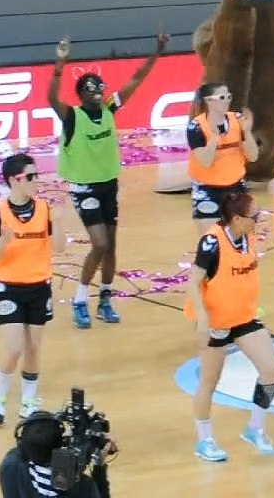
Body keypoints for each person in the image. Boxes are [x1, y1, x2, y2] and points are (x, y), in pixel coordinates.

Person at [47, 32, 168, 330]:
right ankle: (79, 300)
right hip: (84, 187)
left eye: (99, 87)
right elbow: (51, 98)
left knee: (111, 247)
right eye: (90, 89)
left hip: (108, 184)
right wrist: (60, 65)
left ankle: (104, 299)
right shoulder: (73, 116)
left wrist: (158, 50)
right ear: (81, 95)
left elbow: (137, 79)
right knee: (99, 244)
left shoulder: (110, 109)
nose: (97, 91)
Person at [184, 191, 274, 462]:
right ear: (237, 219)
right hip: (216, 322)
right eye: (255, 216)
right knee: (209, 382)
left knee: (270, 371)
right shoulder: (212, 243)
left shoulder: (247, 237)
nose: (259, 220)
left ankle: (255, 429)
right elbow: (192, 283)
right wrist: (202, 318)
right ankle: (205, 441)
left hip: (244, 318)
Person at [0, 153, 67, 425]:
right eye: (29, 176)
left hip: (39, 286)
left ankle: (29, 401)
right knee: (14, 346)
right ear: (13, 180)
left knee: (33, 348)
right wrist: (4, 241)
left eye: (36, 175)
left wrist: (60, 221)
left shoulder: (45, 209)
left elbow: (58, 248)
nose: (36, 181)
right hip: (8, 287)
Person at [186, 82, 258, 235]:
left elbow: (253, 156)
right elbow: (205, 162)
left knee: (243, 239)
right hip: (207, 189)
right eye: (222, 97)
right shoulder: (196, 127)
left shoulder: (238, 121)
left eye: (229, 96)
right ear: (209, 101)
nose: (227, 100)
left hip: (236, 186)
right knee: (210, 240)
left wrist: (246, 132)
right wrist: (214, 137)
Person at [0, 412, 115, 498]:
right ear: (61, 444)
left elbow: (25, 446)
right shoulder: (82, 486)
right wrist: (99, 468)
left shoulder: (9, 467)